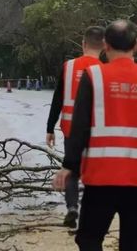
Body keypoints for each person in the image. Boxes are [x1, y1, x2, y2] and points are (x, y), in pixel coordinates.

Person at [53, 20, 137, 251]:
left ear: (106, 46)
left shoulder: (94, 77)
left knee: (88, 239)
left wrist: (69, 166)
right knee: (132, 243)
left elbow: (80, 126)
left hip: (103, 176)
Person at [46, 26, 105, 228]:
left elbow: (58, 99)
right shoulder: (104, 70)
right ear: (104, 46)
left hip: (71, 128)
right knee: (93, 172)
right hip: (97, 131)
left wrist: (49, 128)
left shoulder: (69, 67)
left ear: (83, 44)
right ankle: (91, 213)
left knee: (71, 169)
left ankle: (72, 207)